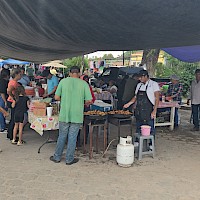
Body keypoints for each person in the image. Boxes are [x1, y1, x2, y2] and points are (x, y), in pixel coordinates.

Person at [50, 66, 92, 165]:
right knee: (72, 137)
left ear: (69, 73)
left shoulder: (63, 82)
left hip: (64, 113)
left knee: (62, 136)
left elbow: (56, 97)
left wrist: (65, 100)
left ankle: (57, 157)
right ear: (79, 73)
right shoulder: (84, 84)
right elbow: (89, 100)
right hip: (77, 114)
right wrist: (81, 102)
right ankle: (69, 159)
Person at [124, 70, 160, 136]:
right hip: (139, 109)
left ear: (146, 76)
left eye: (141, 77)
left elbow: (157, 98)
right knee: (138, 127)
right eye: (139, 77)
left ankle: (150, 144)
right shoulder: (139, 85)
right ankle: (137, 142)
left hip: (149, 109)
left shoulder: (154, 84)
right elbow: (135, 97)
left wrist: (154, 111)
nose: (139, 79)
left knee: (150, 127)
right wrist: (129, 103)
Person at [7, 68, 21, 140]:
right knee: (13, 119)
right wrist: (13, 99)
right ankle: (11, 135)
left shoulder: (13, 81)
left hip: (12, 100)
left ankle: (11, 134)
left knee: (13, 118)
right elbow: (9, 91)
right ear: (16, 75)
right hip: (12, 101)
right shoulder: (14, 83)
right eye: (19, 74)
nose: (20, 76)